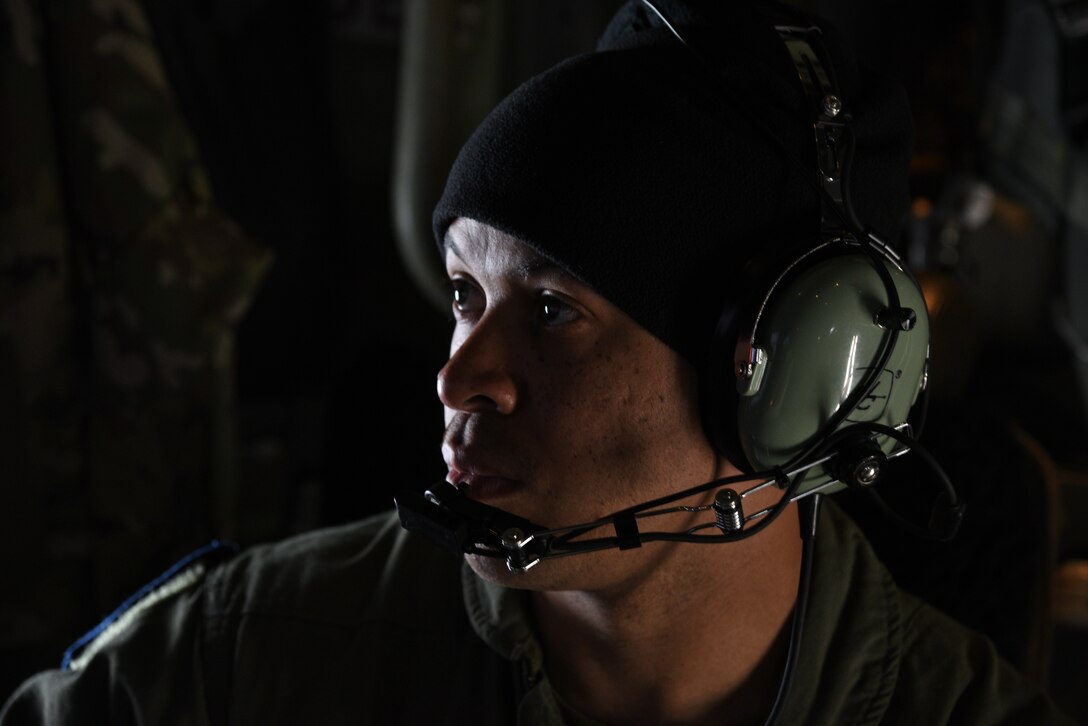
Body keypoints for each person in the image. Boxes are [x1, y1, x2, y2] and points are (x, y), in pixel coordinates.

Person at [1, 1, 1079, 724]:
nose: (461, 377)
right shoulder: (239, 661)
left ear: (794, 386)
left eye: (554, 309)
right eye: (467, 296)